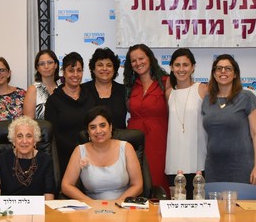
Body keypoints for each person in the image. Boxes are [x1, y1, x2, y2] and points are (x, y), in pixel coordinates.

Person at [202, 54, 256, 185]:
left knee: (243, 205)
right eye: (219, 68)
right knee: (216, 205)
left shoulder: (247, 97)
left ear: (235, 74)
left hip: (240, 167)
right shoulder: (207, 100)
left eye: (228, 68)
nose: (223, 71)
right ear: (214, 74)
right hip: (213, 168)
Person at [61, 106, 143, 201]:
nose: (98, 131)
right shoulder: (80, 151)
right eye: (93, 127)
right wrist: (91, 203)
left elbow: (138, 185)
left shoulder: (126, 148)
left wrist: (118, 203)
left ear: (110, 127)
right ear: (88, 131)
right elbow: (66, 186)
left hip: (123, 207)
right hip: (91, 210)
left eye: (102, 125)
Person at [123, 44, 170, 195]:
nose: (138, 63)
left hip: (159, 140)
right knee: (136, 181)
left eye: (141, 58)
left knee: (158, 180)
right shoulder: (129, 87)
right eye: (133, 61)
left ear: (150, 59)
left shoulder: (166, 82)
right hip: (135, 141)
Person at [164, 48, 208, 198]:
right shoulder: (169, 93)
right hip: (175, 161)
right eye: (177, 65)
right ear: (171, 67)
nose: (181, 69)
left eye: (185, 65)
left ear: (193, 67)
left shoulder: (202, 89)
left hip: (198, 161)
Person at [45, 52, 94, 178]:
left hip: (91, 156)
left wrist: (88, 149)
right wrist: (77, 150)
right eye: (71, 70)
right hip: (64, 158)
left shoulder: (91, 97)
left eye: (79, 70)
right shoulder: (54, 101)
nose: (76, 75)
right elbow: (53, 134)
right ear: (64, 72)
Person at [0, 116, 55, 199]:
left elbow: (49, 194)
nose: (24, 141)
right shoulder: (1, 159)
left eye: (29, 136)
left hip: (36, 210)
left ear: (35, 140)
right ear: (13, 140)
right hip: (9, 209)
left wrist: (47, 211)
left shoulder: (45, 160)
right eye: (19, 136)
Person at [81, 47, 127, 129]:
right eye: (100, 65)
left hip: (119, 139)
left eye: (109, 65)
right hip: (90, 140)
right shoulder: (82, 90)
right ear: (93, 69)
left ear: (114, 69)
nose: (104, 69)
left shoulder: (124, 91)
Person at [24, 50, 60, 120]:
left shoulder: (62, 87)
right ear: (37, 68)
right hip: (41, 130)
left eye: (50, 62)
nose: (46, 66)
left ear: (56, 65)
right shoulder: (33, 89)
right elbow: (28, 122)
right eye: (42, 64)